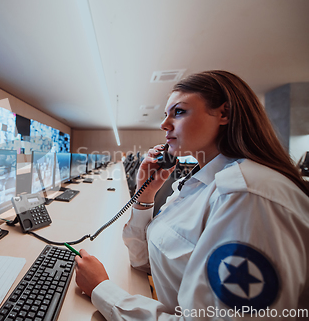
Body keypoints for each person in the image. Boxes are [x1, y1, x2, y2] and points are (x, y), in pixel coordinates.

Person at [74, 70, 309, 320]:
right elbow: (145, 261)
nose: (164, 125)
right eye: (165, 115)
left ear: (224, 114)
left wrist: (103, 290)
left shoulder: (246, 196)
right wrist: (146, 194)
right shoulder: (198, 183)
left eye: (179, 111)